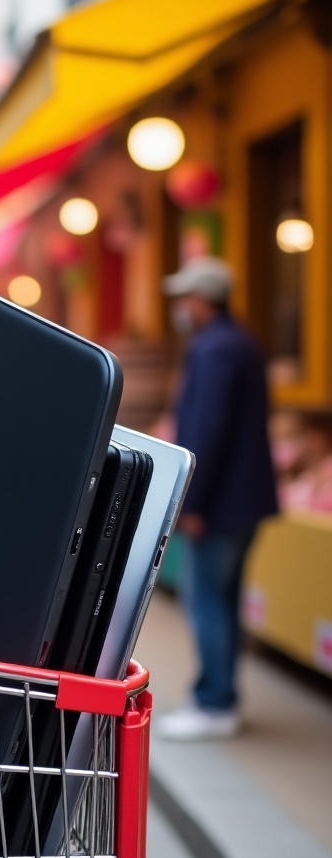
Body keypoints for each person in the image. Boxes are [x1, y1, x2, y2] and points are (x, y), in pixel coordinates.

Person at [155, 257, 279, 741]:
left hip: (220, 502)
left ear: (203, 299)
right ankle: (221, 697)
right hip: (244, 500)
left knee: (206, 599)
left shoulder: (213, 350)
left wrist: (192, 502)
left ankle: (214, 701)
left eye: (185, 298)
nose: (181, 308)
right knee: (223, 600)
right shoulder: (241, 343)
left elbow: (207, 431)